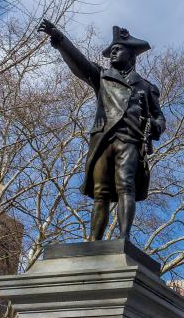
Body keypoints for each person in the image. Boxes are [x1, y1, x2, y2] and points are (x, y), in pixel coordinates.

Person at [38, 21, 165, 240]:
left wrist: (156, 126)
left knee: (126, 186)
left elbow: (158, 115)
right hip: (103, 140)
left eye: (118, 49)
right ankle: (94, 241)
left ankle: (124, 239)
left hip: (130, 140)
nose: (113, 53)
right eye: (111, 51)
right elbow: (80, 64)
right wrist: (60, 40)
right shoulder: (102, 76)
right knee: (101, 193)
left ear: (131, 55)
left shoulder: (145, 86)